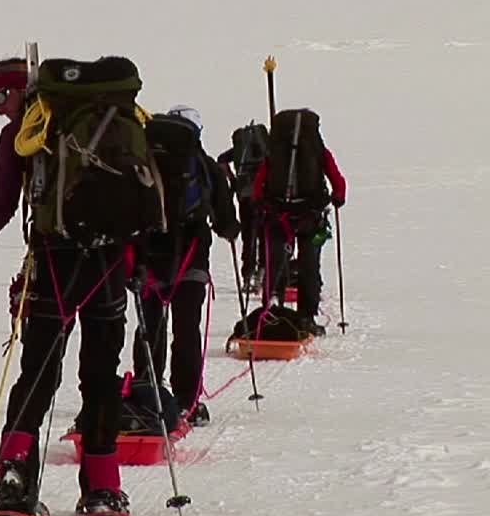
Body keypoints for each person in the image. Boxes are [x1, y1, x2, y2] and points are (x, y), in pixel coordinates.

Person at [0, 55, 147, 516]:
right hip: (110, 265)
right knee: (100, 376)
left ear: (19, 90)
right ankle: (103, 489)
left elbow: (2, 206)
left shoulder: (26, 133)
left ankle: (14, 479)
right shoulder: (119, 120)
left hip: (55, 261)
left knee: (36, 373)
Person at [132, 106, 239, 428]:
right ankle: (186, 402)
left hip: (148, 257)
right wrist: (230, 230)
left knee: (149, 327)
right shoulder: (205, 167)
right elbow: (225, 220)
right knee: (186, 329)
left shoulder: (146, 162)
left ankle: (147, 394)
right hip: (192, 255)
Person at [251, 108, 347, 336]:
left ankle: (271, 308)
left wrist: (259, 204)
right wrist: (337, 198)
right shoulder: (318, 150)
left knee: (275, 261)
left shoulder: (275, 152)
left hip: (278, 215)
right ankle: (306, 316)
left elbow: (259, 183)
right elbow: (338, 181)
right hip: (310, 216)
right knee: (309, 266)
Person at [216, 121, 271, 291]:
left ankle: (247, 276)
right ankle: (262, 274)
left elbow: (221, 160)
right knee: (265, 234)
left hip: (245, 195)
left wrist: (233, 180)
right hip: (265, 195)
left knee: (249, 235)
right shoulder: (268, 148)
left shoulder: (241, 149)